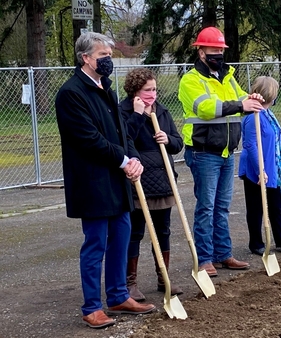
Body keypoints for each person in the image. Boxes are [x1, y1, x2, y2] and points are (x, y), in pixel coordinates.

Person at [55, 32, 155, 329]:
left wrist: (132, 158)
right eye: (103, 56)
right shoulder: (72, 94)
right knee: (96, 244)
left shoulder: (106, 89)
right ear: (85, 58)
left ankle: (118, 295)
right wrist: (123, 160)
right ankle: (91, 307)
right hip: (92, 182)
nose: (108, 61)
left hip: (116, 180)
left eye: (110, 56)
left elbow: (120, 131)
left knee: (121, 239)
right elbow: (88, 140)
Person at [178, 26, 264, 277]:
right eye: (213, 50)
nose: (218, 54)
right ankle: (204, 258)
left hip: (226, 151)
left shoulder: (228, 77)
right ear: (201, 51)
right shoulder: (191, 80)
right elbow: (205, 108)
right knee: (206, 206)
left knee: (222, 206)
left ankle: (223, 253)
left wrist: (251, 99)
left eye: (220, 50)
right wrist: (240, 104)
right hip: (204, 151)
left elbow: (241, 99)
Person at [119, 68, 184, 301]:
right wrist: (137, 115)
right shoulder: (123, 111)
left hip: (162, 180)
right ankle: (130, 283)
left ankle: (163, 276)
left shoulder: (162, 112)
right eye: (147, 90)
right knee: (135, 232)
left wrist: (168, 139)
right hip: (138, 181)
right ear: (135, 91)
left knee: (163, 231)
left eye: (155, 89)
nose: (152, 94)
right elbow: (123, 140)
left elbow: (179, 143)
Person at [239, 76, 281, 255]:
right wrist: (260, 170)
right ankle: (256, 243)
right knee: (255, 208)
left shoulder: (268, 115)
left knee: (275, 206)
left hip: (271, 168)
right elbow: (250, 145)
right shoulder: (252, 117)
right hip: (255, 169)